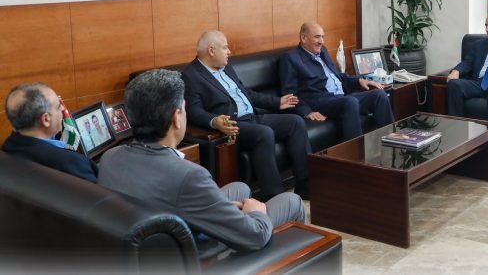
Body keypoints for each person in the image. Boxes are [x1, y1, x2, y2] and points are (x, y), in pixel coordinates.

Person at [99, 69, 305, 256]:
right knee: (291, 201)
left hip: (158, 243)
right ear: (176, 118)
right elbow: (255, 236)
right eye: (184, 108)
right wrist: (256, 213)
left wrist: (221, 208)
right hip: (196, 254)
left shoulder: (110, 157)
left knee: (239, 188)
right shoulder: (189, 175)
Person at [182, 30, 311, 200]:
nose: (229, 52)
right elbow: (193, 111)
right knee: (264, 133)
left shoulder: (226, 67)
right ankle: (275, 196)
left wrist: (277, 102)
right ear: (211, 50)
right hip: (233, 125)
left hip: (253, 117)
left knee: (296, 122)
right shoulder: (191, 75)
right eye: (225, 47)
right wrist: (214, 121)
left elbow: (247, 93)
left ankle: (306, 186)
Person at [279, 23, 394, 141]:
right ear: (303, 38)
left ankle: (392, 142)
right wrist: (307, 112)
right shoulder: (291, 58)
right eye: (317, 37)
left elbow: (337, 76)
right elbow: (289, 94)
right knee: (350, 101)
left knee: (379, 95)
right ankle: (356, 150)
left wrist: (359, 80)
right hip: (319, 100)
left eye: (323, 37)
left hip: (340, 98)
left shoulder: (322, 51)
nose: (321, 41)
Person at [2, 82, 98, 182]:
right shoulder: (74, 164)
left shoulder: (7, 147)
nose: (62, 108)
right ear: (46, 119)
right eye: (58, 106)